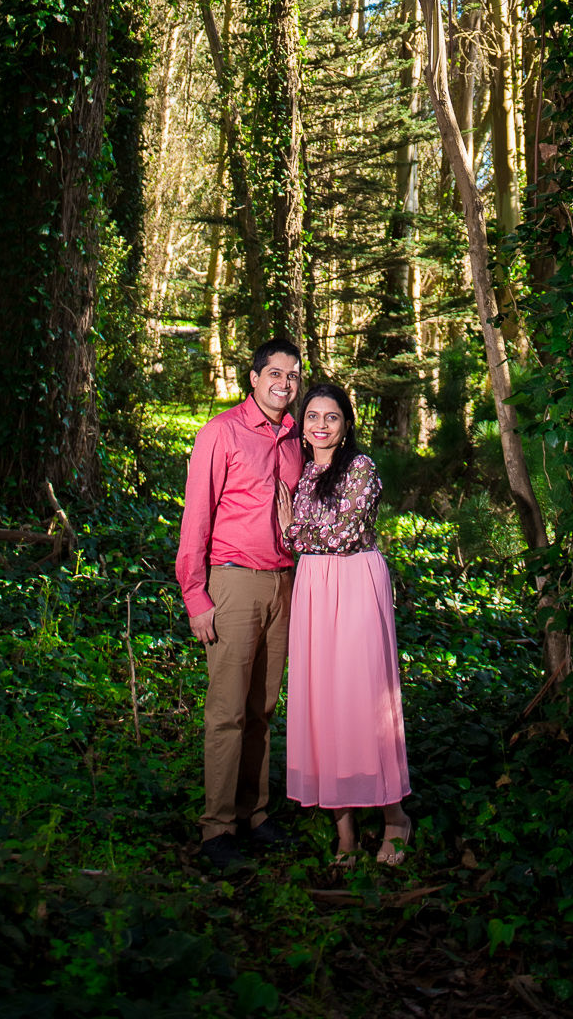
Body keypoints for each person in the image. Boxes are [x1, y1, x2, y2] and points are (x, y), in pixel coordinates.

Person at [176, 336, 303, 870]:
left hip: (284, 585)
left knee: (263, 709)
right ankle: (217, 828)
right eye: (275, 373)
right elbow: (196, 519)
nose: (285, 384)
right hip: (232, 582)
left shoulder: (297, 439)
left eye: (293, 376)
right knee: (227, 711)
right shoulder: (220, 433)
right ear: (253, 378)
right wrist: (195, 595)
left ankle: (254, 814)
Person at [276, 380, 412, 864]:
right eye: (312, 416)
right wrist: (302, 535)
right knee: (323, 702)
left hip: (355, 585)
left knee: (362, 696)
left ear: (347, 423)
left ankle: (395, 816)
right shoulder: (302, 473)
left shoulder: (361, 468)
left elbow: (344, 535)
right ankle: (346, 833)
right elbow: (302, 538)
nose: (321, 425)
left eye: (331, 417)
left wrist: (297, 530)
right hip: (313, 590)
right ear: (302, 424)